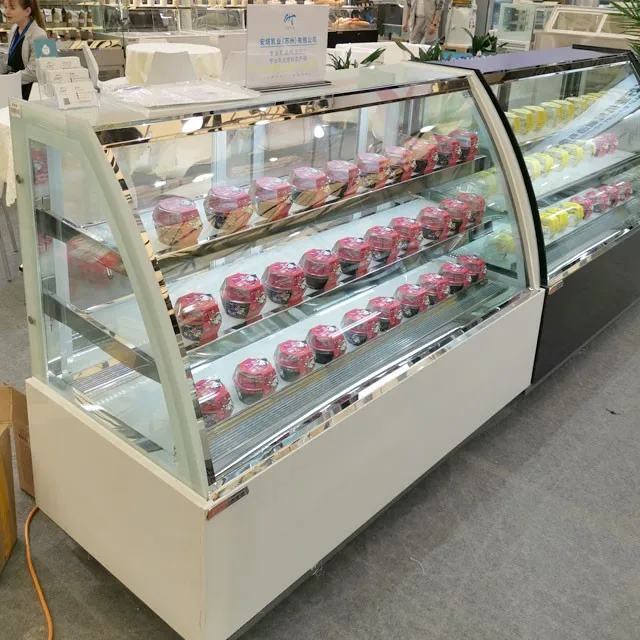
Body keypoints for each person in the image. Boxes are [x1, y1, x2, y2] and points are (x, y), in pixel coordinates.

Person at [2, 0, 47, 100]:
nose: (7, 11)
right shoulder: (14, 30)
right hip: (14, 91)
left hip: (31, 95)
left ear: (27, 11)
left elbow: (36, 72)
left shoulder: (41, 36)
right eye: (5, 7)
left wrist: (8, 79)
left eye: (12, 8)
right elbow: (12, 64)